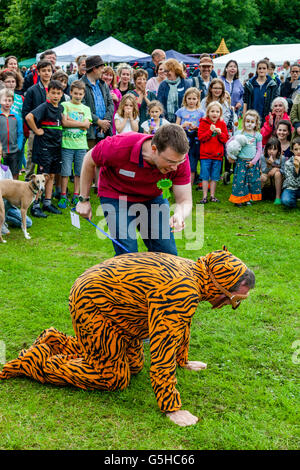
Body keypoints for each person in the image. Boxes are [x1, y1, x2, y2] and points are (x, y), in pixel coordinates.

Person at [0, 246, 255, 427]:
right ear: (220, 284)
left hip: (123, 315)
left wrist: (184, 360)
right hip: (95, 305)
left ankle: (55, 341)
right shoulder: (182, 289)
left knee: (133, 366)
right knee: (111, 377)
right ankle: (34, 361)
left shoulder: (197, 274)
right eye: (234, 299)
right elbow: (162, 347)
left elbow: (181, 323)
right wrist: (171, 407)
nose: (230, 305)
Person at [76, 124, 192, 256]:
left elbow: (185, 200)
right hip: (116, 195)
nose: (175, 168)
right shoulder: (118, 145)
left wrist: (179, 215)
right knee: (128, 253)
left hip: (152, 198)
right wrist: (84, 199)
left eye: (179, 162)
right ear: (154, 149)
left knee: (168, 254)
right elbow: (89, 159)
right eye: (171, 162)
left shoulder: (178, 159)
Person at [25, 80, 65, 216]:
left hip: (56, 147)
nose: (55, 95)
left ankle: (47, 202)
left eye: (58, 93)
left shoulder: (60, 108)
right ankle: (35, 205)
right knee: (42, 177)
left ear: (62, 95)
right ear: (48, 93)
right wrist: (36, 130)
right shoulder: (44, 106)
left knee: (51, 175)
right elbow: (29, 117)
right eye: (53, 93)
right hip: (44, 147)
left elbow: (64, 122)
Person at [58, 80, 92, 209]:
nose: (78, 96)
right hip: (67, 144)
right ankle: (63, 195)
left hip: (81, 145)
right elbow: (64, 123)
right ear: (70, 92)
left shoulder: (86, 109)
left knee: (79, 172)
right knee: (65, 172)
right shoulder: (65, 105)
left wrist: (71, 121)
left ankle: (76, 194)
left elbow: (86, 126)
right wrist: (81, 123)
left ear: (84, 95)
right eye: (75, 93)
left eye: (80, 94)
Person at [22, 59, 53, 184]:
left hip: (51, 130)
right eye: (44, 70)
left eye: (49, 70)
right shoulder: (32, 90)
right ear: (38, 72)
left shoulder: (55, 89)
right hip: (35, 129)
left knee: (48, 156)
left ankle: (46, 181)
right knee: (31, 155)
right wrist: (34, 128)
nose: (46, 73)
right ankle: (28, 179)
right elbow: (25, 112)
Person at [228, 110, 262, 207]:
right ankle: (238, 200)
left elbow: (259, 150)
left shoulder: (257, 135)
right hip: (241, 162)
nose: (249, 124)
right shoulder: (239, 133)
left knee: (251, 181)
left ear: (256, 123)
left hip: (252, 163)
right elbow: (229, 143)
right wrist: (230, 155)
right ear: (244, 122)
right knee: (240, 181)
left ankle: (247, 199)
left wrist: (254, 162)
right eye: (247, 121)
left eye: (252, 122)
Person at [197, 101, 229, 203]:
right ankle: (204, 196)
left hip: (217, 156)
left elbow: (225, 139)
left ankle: (212, 196)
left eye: (217, 112)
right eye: (212, 111)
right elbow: (201, 138)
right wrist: (210, 131)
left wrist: (220, 133)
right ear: (208, 112)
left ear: (220, 113)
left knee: (215, 177)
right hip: (205, 155)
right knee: (205, 176)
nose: (215, 114)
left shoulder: (222, 124)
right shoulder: (203, 123)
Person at [81, 55, 114, 149]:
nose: (103, 71)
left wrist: (105, 123)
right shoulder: (80, 85)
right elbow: (82, 108)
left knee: (103, 161)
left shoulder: (103, 85)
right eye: (101, 68)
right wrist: (98, 121)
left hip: (105, 131)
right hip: (89, 133)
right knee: (89, 161)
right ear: (94, 69)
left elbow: (110, 104)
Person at [175, 87, 204, 184]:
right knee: (181, 160)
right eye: (189, 98)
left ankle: (190, 185)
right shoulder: (181, 111)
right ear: (185, 99)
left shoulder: (201, 112)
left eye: (194, 99)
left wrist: (196, 128)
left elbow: (204, 128)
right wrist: (183, 125)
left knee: (192, 162)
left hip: (195, 139)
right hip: (183, 138)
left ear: (198, 99)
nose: (191, 101)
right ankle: (179, 181)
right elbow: (176, 127)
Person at [0, 153, 32, 236]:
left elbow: (13, 188)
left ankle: (4, 219)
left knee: (28, 223)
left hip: (8, 205)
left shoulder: (5, 169)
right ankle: (2, 222)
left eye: (0, 154)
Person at [243, 59, 279, 125]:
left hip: (266, 117)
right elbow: (245, 102)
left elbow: (275, 102)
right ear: (257, 70)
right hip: (251, 117)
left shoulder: (272, 85)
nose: (261, 70)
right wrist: (244, 117)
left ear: (267, 70)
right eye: (259, 68)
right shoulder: (249, 84)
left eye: (264, 68)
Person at [157, 59, 191, 123]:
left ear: (175, 70)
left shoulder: (186, 83)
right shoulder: (163, 85)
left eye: (168, 71)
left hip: (183, 119)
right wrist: (163, 119)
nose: (166, 74)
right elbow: (159, 103)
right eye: (165, 71)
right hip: (166, 120)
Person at [0, 88, 23, 180]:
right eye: (5, 100)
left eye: (10, 100)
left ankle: (14, 192)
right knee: (2, 174)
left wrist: (19, 146)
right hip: (1, 152)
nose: (7, 103)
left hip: (14, 151)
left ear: (13, 102)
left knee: (14, 173)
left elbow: (20, 133)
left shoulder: (16, 117)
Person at [260, 137, 285, 204]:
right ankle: (258, 194)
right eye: (270, 149)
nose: (271, 151)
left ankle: (277, 197)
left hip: (277, 181)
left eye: (274, 149)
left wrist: (276, 169)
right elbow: (264, 171)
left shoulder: (282, 158)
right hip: (267, 180)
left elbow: (284, 171)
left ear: (278, 150)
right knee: (262, 177)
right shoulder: (263, 157)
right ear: (266, 149)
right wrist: (269, 165)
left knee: (278, 173)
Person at [101, 66, 122, 135]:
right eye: (106, 74)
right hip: (101, 121)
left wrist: (117, 100)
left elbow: (122, 109)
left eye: (110, 75)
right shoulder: (98, 89)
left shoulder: (116, 91)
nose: (108, 77)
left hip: (113, 122)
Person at [281, 137, 300, 208]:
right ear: (292, 150)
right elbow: (292, 183)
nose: (299, 152)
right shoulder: (288, 163)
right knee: (286, 201)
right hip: (291, 188)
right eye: (296, 149)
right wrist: (297, 168)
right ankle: (293, 201)